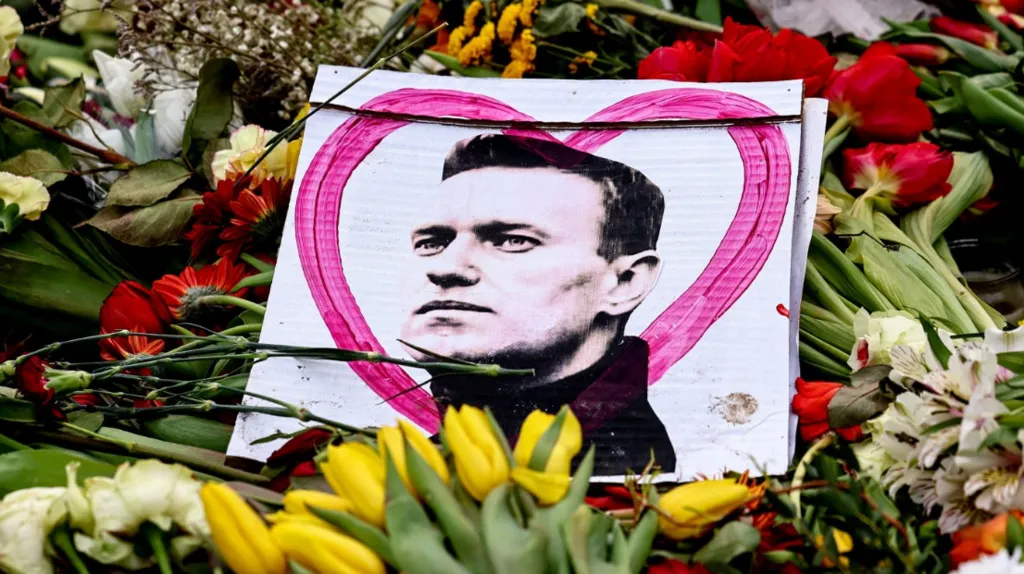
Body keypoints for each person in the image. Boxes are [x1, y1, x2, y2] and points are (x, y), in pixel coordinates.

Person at [399, 133, 675, 475]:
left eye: (513, 241)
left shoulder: (637, 472)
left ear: (624, 282)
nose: (445, 267)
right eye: (431, 243)